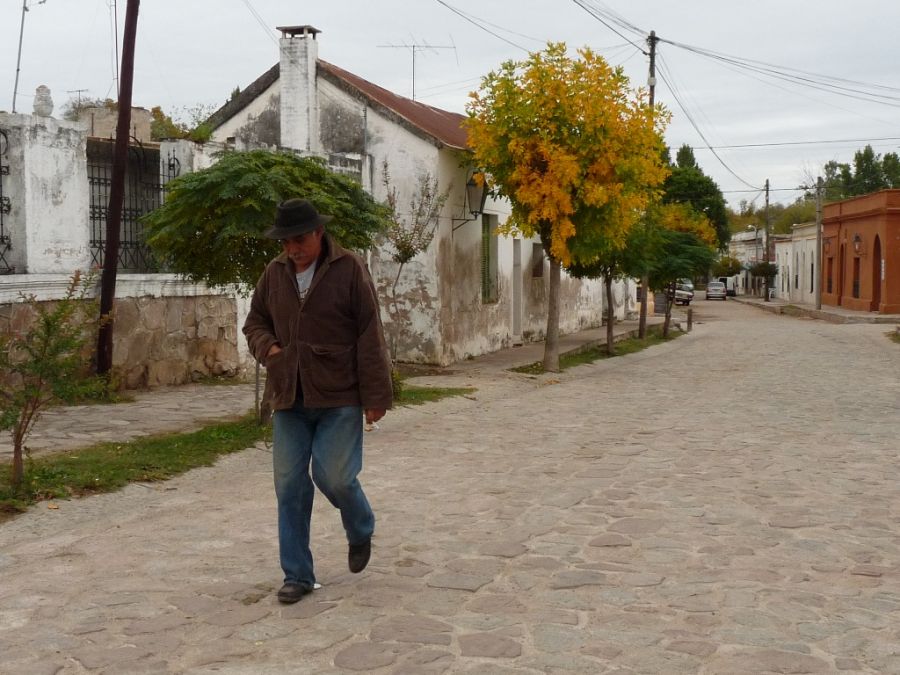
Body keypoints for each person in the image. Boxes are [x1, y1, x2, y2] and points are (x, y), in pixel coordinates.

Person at [243, 198, 392, 604]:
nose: (293, 249)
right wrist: (269, 349)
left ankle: (360, 526)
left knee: (336, 477)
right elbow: (254, 321)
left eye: (300, 239)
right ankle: (297, 575)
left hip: (340, 394)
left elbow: (369, 333)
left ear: (318, 233)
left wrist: (375, 396)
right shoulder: (273, 273)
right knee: (289, 485)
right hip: (288, 397)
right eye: (287, 241)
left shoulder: (348, 269)